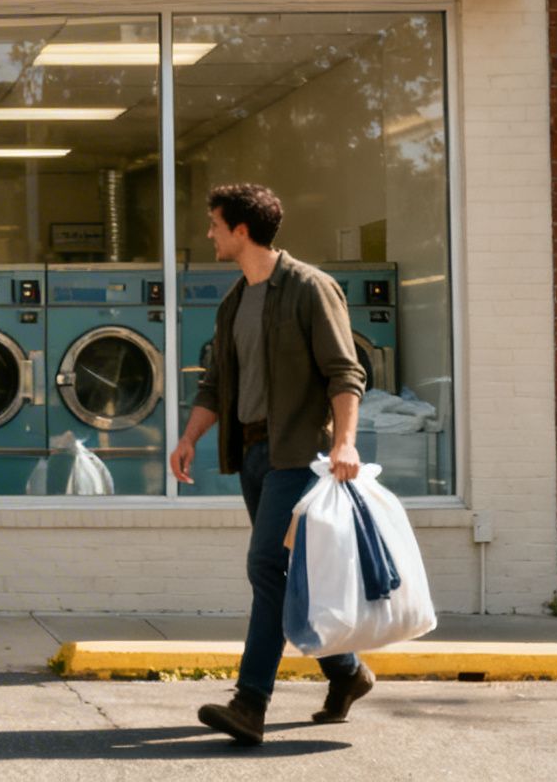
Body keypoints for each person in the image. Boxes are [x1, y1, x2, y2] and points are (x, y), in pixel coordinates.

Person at [168, 184, 375, 745]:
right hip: (254, 454)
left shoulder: (310, 289)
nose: (208, 233)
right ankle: (347, 672)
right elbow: (216, 381)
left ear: (241, 230)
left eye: (214, 224)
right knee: (290, 578)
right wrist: (189, 438)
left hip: (299, 454)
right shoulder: (235, 301)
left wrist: (346, 443)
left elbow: (344, 371)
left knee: (266, 567)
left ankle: (250, 702)